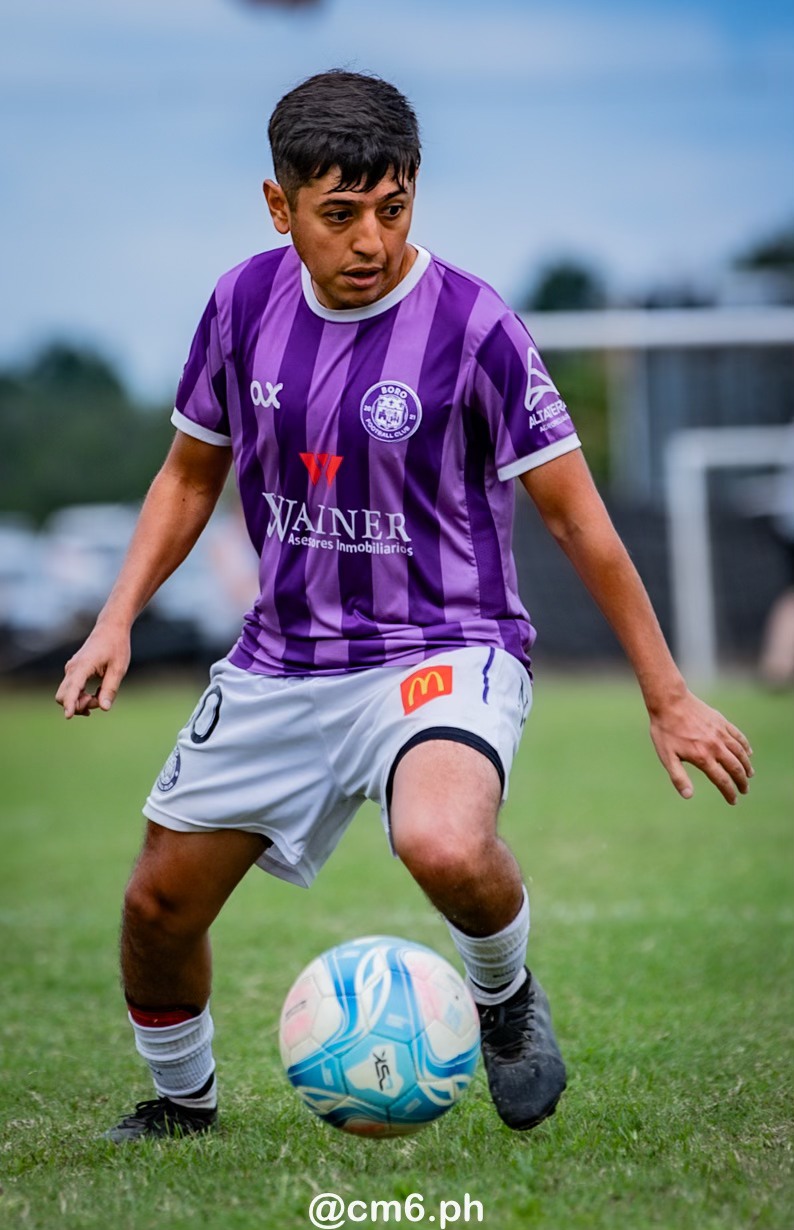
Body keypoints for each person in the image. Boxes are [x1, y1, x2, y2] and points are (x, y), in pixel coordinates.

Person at [56, 70, 754, 1142]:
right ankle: (182, 1105)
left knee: (441, 844)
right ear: (279, 205)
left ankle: (504, 1000)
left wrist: (666, 694)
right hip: (282, 659)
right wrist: (115, 619)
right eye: (339, 214)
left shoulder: (474, 325)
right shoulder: (241, 304)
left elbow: (578, 521)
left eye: (393, 207)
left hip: (444, 646)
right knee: (156, 906)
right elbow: (189, 477)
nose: (371, 240)